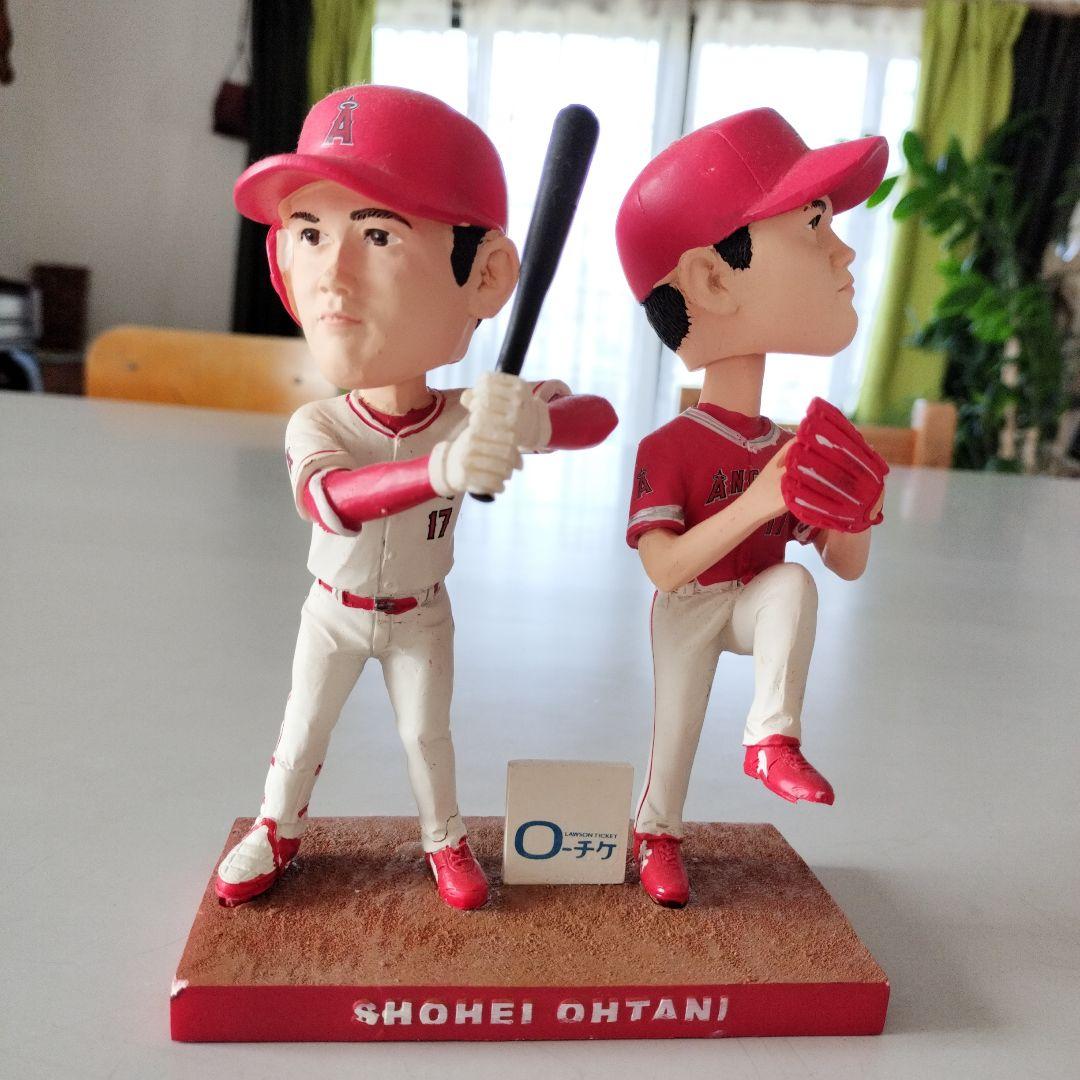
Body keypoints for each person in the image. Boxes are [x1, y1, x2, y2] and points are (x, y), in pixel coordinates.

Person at [215, 85, 617, 911]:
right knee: (302, 730)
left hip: (420, 613)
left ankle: (444, 840)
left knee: (427, 736)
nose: (334, 273)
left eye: (377, 235)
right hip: (332, 611)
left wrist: (532, 421)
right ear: (282, 260)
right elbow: (332, 500)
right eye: (310, 233)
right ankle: (276, 829)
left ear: (487, 275)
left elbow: (597, 418)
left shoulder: (469, 412)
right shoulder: (320, 421)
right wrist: (444, 469)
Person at [615, 108, 889, 908]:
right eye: (813, 223)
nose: (842, 250)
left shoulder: (788, 440)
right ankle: (657, 834)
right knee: (676, 733)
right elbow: (664, 569)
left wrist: (856, 510)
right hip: (690, 605)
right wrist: (761, 499)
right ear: (711, 280)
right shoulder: (671, 444)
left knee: (792, 583)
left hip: (751, 600)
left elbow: (841, 567)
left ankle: (771, 740)